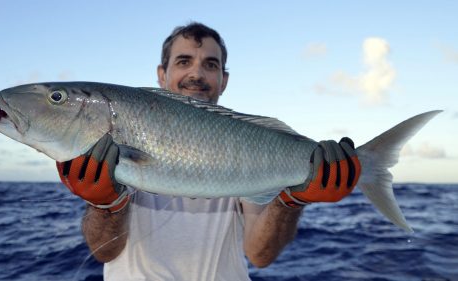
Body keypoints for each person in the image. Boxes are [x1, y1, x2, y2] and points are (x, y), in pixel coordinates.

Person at [56, 22, 361, 281]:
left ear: (223, 80)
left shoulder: (248, 142)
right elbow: (104, 251)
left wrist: (292, 199)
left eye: (210, 65)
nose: (196, 74)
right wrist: (105, 204)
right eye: (184, 61)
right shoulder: (118, 133)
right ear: (161, 74)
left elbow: (259, 254)